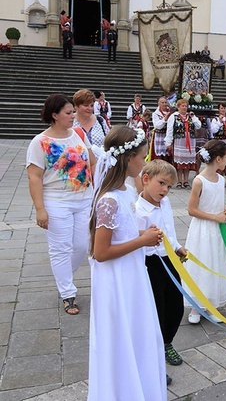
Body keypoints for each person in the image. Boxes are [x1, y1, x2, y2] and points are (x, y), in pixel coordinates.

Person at [87, 126, 167, 398]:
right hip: (116, 278)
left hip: (131, 272)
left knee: (135, 331)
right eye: (142, 157)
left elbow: (124, 234)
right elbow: (101, 252)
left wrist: (142, 233)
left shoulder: (125, 192)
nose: (144, 162)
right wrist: (141, 242)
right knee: (119, 335)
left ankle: (137, 385)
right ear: (127, 157)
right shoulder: (109, 200)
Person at [27, 94, 95, 316]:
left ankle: (63, 275)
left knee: (82, 245)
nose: (73, 116)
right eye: (68, 113)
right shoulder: (40, 142)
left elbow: (92, 159)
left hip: (84, 198)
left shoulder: (77, 134)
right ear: (54, 115)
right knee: (60, 248)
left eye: (73, 112)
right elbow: (34, 177)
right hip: (57, 202)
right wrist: (40, 209)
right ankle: (68, 293)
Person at [135, 160, 188, 372]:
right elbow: (137, 243)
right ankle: (153, 352)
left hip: (170, 260)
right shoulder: (139, 211)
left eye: (169, 186)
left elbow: (169, 230)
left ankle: (167, 342)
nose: (165, 190)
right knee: (156, 308)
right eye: (162, 183)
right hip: (151, 264)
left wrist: (177, 247)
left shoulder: (164, 203)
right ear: (145, 180)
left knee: (176, 305)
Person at [184, 140, 226, 324]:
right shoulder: (199, 181)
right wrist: (215, 217)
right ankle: (196, 305)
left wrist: (225, 211)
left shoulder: (221, 179)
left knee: (215, 263)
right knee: (201, 263)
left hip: (217, 229)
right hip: (202, 229)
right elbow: (192, 210)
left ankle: (213, 303)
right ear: (218, 158)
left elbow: (215, 203)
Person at [164, 99, 201, 188]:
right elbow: (170, 130)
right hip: (179, 141)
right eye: (182, 106)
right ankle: (179, 180)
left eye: (185, 106)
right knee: (180, 162)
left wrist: (194, 117)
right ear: (178, 107)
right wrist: (168, 142)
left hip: (190, 142)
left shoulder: (190, 117)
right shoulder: (174, 116)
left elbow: (198, 126)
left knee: (187, 162)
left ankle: (186, 181)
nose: (184, 108)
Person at [209, 102, 226, 187]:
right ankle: (220, 179)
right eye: (221, 108)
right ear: (218, 109)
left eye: (224, 108)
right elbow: (213, 130)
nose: (223, 110)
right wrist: (220, 122)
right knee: (220, 160)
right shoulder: (216, 119)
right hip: (220, 142)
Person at [151, 96, 173, 162]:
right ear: (159, 103)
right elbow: (157, 125)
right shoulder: (155, 114)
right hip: (160, 136)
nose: (164, 104)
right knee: (160, 156)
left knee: (168, 155)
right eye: (162, 102)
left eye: (165, 102)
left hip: (169, 135)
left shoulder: (171, 112)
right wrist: (164, 119)